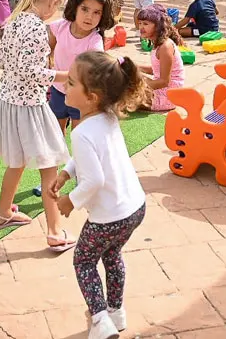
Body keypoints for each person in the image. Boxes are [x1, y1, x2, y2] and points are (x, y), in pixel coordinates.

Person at [49, 51, 147, 339]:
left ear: (91, 96)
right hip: (134, 208)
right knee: (112, 254)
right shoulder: (107, 116)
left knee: (83, 260)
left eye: (71, 83)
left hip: (110, 217)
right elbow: (92, 160)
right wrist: (67, 172)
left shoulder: (81, 133)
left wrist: (70, 200)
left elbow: (93, 179)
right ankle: (116, 312)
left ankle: (101, 321)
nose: (65, 84)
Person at [0, 0, 75, 252]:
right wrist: (66, 75)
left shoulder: (13, 20)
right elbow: (33, 72)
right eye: (57, 3)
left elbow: (2, 59)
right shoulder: (37, 26)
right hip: (29, 106)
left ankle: (3, 214)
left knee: (18, 161)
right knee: (49, 167)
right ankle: (54, 230)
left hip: (7, 100)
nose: (56, 9)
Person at [49, 0, 113, 133]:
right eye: (84, 9)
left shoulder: (94, 41)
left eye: (97, 12)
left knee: (79, 133)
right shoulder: (61, 26)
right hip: (58, 90)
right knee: (56, 132)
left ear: (102, 16)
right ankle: (60, 156)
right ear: (75, 7)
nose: (89, 17)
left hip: (81, 95)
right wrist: (49, 55)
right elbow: (51, 37)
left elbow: (95, 72)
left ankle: (80, 157)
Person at [136, 5, 185, 112]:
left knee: (122, 97)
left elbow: (163, 81)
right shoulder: (157, 43)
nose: (141, 27)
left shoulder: (165, 46)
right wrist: (133, 67)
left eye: (146, 24)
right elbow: (157, 69)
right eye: (140, 23)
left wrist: (137, 84)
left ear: (158, 26)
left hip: (168, 95)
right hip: (161, 89)